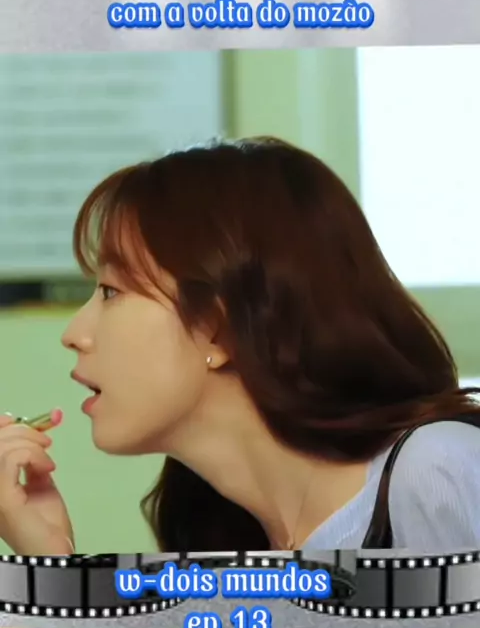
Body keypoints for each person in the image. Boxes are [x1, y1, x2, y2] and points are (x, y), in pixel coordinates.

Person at [1, 136, 480, 556]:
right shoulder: (222, 536)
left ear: (216, 329)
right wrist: (50, 561)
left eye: (111, 291)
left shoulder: (435, 471)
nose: (74, 333)